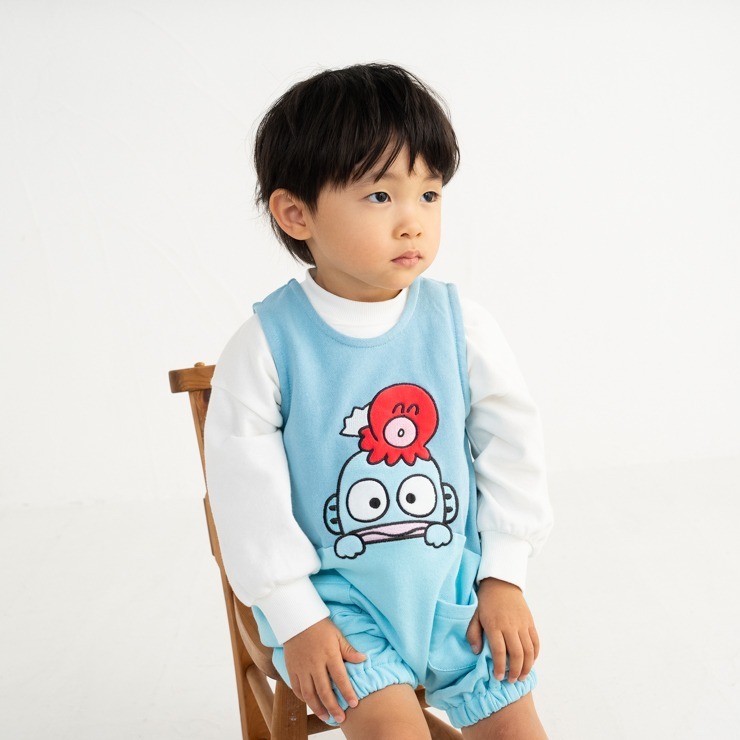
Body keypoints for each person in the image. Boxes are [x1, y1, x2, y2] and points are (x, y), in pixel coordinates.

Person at [204, 63, 553, 739]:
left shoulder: (460, 325)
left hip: (456, 590)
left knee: (519, 730)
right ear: (296, 213)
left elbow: (512, 446)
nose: (412, 222)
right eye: (380, 196)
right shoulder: (268, 344)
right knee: (394, 732)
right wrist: (297, 616)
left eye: (429, 194)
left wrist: (504, 577)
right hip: (339, 608)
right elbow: (246, 501)